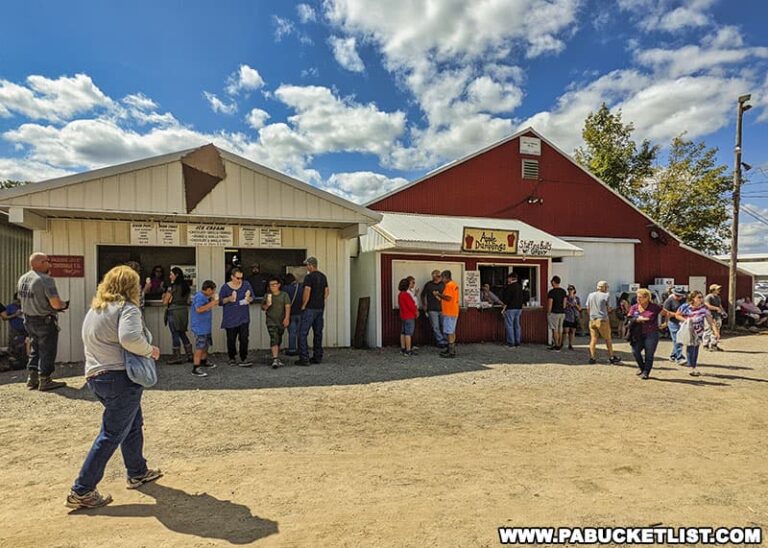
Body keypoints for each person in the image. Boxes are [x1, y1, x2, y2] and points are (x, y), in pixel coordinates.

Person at [67, 265, 162, 510]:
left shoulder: (96, 310)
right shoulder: (127, 309)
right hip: (120, 378)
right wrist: (149, 350)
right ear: (131, 286)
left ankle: (137, 470)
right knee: (111, 433)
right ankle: (82, 489)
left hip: (97, 377)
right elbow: (129, 338)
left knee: (131, 423)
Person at [17, 252, 69, 391]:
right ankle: (45, 380)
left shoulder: (23, 278)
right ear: (40, 263)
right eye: (47, 261)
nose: (50, 264)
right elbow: (56, 304)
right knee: (48, 349)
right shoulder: (45, 279)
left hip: (28, 319)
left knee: (35, 347)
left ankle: (32, 378)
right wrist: (64, 305)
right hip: (44, 320)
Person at [675, 290, 720, 376]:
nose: (701, 299)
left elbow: (710, 320)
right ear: (693, 298)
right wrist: (686, 320)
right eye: (699, 297)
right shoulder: (685, 306)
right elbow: (677, 315)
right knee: (690, 347)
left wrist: (715, 331)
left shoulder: (704, 308)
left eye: (702, 297)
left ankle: (693, 365)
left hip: (699, 331)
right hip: (688, 330)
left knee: (696, 348)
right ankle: (691, 367)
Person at [296, 257, 329, 366]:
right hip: (320, 308)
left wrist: (304, 305)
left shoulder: (309, 277)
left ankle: (304, 358)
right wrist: (320, 300)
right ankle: (317, 357)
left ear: (310, 265)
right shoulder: (323, 276)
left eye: (307, 265)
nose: (307, 267)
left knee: (302, 333)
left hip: (310, 308)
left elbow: (307, 291)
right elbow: (327, 292)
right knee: (318, 333)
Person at [219, 267, 254, 367]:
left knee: (244, 338)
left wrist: (248, 299)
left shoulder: (246, 284)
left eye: (241, 278)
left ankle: (244, 357)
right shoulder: (225, 287)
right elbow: (220, 302)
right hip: (230, 317)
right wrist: (229, 299)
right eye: (237, 278)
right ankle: (232, 357)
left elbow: (252, 297)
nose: (240, 280)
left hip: (243, 317)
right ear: (232, 277)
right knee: (231, 339)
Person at [627, 288, 663, 380]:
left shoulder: (654, 307)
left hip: (651, 333)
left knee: (649, 354)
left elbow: (666, 313)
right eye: (637, 297)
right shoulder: (634, 307)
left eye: (640, 297)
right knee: (635, 351)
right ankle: (642, 367)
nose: (638, 299)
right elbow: (629, 317)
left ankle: (646, 372)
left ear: (647, 298)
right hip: (637, 333)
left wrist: (665, 323)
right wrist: (637, 319)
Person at [586, 280, 621, 365]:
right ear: (604, 287)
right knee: (608, 339)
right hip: (602, 319)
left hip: (592, 319)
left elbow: (588, 307)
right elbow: (609, 308)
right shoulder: (606, 295)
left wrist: (591, 316)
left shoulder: (590, 295)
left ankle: (592, 357)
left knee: (593, 339)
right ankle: (611, 356)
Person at [163, 267, 193, 365]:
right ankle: (190, 355)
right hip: (183, 311)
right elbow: (188, 301)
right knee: (182, 332)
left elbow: (165, 301)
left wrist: (164, 296)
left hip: (173, 311)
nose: (170, 276)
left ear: (176, 275)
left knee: (175, 333)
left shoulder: (172, 287)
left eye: (171, 274)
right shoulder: (186, 287)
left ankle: (177, 356)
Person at [190, 280, 219, 377]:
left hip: (206, 326)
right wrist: (213, 303)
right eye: (213, 290)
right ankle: (195, 367)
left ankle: (204, 361)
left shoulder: (206, 297)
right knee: (200, 347)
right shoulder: (199, 297)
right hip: (200, 327)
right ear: (208, 289)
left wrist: (211, 300)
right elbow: (199, 309)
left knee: (206, 345)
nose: (213, 292)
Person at [262, 276, 291, 368]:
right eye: (271, 285)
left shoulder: (284, 295)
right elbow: (263, 308)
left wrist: (287, 318)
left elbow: (287, 306)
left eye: (275, 284)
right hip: (271, 320)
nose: (273, 286)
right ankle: (275, 359)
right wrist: (267, 304)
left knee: (279, 338)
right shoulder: (267, 295)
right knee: (274, 337)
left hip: (281, 320)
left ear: (279, 285)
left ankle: (277, 357)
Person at [433, 270, 459, 358]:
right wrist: (439, 297)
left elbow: (448, 298)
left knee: (449, 332)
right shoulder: (454, 284)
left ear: (445, 277)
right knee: (451, 331)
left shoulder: (449, 285)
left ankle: (451, 351)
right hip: (453, 311)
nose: (441, 279)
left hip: (449, 312)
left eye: (441, 277)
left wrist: (438, 294)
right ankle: (450, 348)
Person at [1, 293, 28, 368]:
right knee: (15, 347)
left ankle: (24, 362)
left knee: (25, 347)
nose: (19, 303)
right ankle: (15, 364)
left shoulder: (24, 306)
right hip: (15, 330)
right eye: (18, 301)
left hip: (25, 330)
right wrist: (15, 315)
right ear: (15, 300)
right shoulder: (10, 307)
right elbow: (4, 318)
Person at [421, 270, 447, 349]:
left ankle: (446, 341)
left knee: (445, 325)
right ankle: (440, 341)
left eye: (440, 276)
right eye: (437, 276)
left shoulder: (444, 284)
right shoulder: (428, 285)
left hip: (443, 308)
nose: (439, 278)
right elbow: (423, 295)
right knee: (435, 326)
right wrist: (424, 305)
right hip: (432, 309)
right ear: (433, 276)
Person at [663, 287, 687, 364]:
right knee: (677, 339)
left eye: (681, 296)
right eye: (678, 296)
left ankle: (673, 355)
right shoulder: (669, 301)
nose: (679, 297)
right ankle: (679, 357)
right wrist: (676, 314)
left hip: (682, 322)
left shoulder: (683, 300)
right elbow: (666, 313)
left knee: (680, 339)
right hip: (673, 322)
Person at [500, 273, 524, 347]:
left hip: (511, 308)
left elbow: (507, 299)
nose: (507, 280)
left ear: (511, 278)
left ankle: (511, 343)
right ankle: (517, 342)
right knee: (517, 325)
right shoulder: (520, 287)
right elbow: (523, 298)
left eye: (508, 278)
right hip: (519, 308)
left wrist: (503, 309)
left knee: (509, 325)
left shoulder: (509, 287)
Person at [283, 273, 302, 356]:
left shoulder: (285, 288)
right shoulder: (301, 287)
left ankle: (292, 349)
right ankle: (301, 348)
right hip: (301, 312)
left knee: (292, 332)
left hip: (291, 313)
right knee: (301, 332)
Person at [398, 278, 418, 356]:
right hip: (409, 315)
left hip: (403, 315)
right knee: (408, 333)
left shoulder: (400, 294)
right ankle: (408, 350)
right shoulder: (406, 295)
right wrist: (416, 312)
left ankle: (403, 348)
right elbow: (411, 306)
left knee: (403, 332)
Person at [546, 276, 567, 351]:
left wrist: (548, 312)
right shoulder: (563, 291)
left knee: (554, 329)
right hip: (562, 312)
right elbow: (565, 304)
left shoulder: (551, 292)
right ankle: (560, 343)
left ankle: (556, 344)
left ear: (553, 282)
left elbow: (550, 303)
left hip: (554, 312)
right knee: (560, 328)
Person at [703, 284, 725, 350]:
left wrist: (723, 311)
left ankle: (714, 344)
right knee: (708, 329)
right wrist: (716, 308)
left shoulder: (718, 297)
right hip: (709, 315)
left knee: (717, 329)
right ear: (713, 290)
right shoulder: (708, 297)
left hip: (717, 315)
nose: (719, 290)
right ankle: (705, 344)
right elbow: (707, 305)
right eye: (717, 289)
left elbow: (720, 305)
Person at [563, 285, 582, 350]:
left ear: (574, 290)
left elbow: (580, 308)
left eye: (571, 289)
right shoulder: (566, 298)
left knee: (572, 331)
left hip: (574, 315)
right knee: (566, 330)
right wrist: (567, 303)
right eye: (568, 289)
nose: (570, 290)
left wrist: (575, 304)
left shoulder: (577, 298)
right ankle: (562, 343)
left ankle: (570, 344)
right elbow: (564, 306)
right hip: (567, 315)